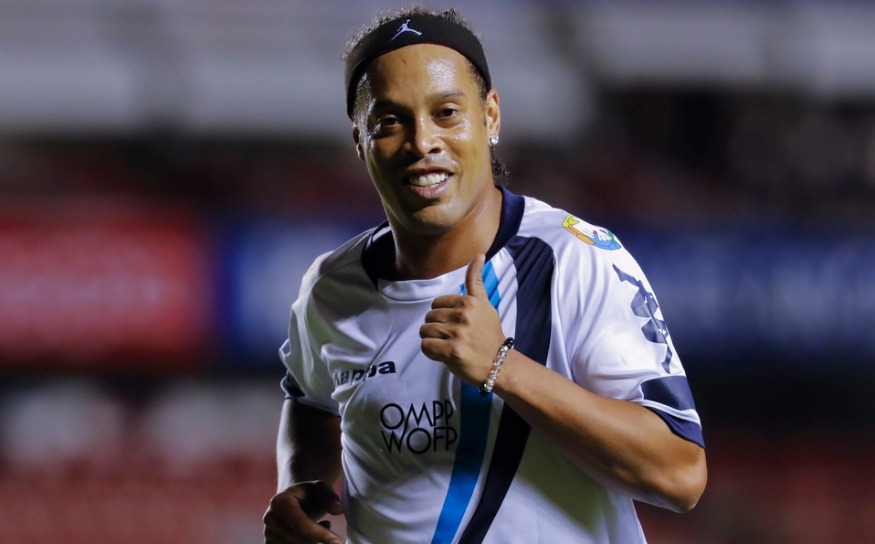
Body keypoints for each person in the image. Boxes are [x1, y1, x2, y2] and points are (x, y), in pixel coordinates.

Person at [264, 6, 707, 544]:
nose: (422, 142)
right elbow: (310, 401)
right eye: (390, 121)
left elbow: (680, 474)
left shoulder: (574, 260)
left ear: (491, 117)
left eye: (446, 112)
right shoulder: (330, 288)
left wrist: (503, 366)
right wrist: (299, 487)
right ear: (360, 140)